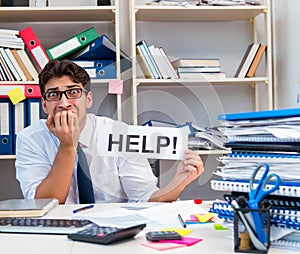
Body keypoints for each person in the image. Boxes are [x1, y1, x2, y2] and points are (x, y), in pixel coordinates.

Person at [15, 59, 204, 204]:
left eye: (73, 92)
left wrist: (178, 183)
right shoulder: (30, 139)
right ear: (45, 105)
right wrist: (67, 146)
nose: (64, 103)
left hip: (116, 232)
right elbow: (43, 204)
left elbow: (145, 198)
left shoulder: (119, 133)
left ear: (88, 99)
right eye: (53, 95)